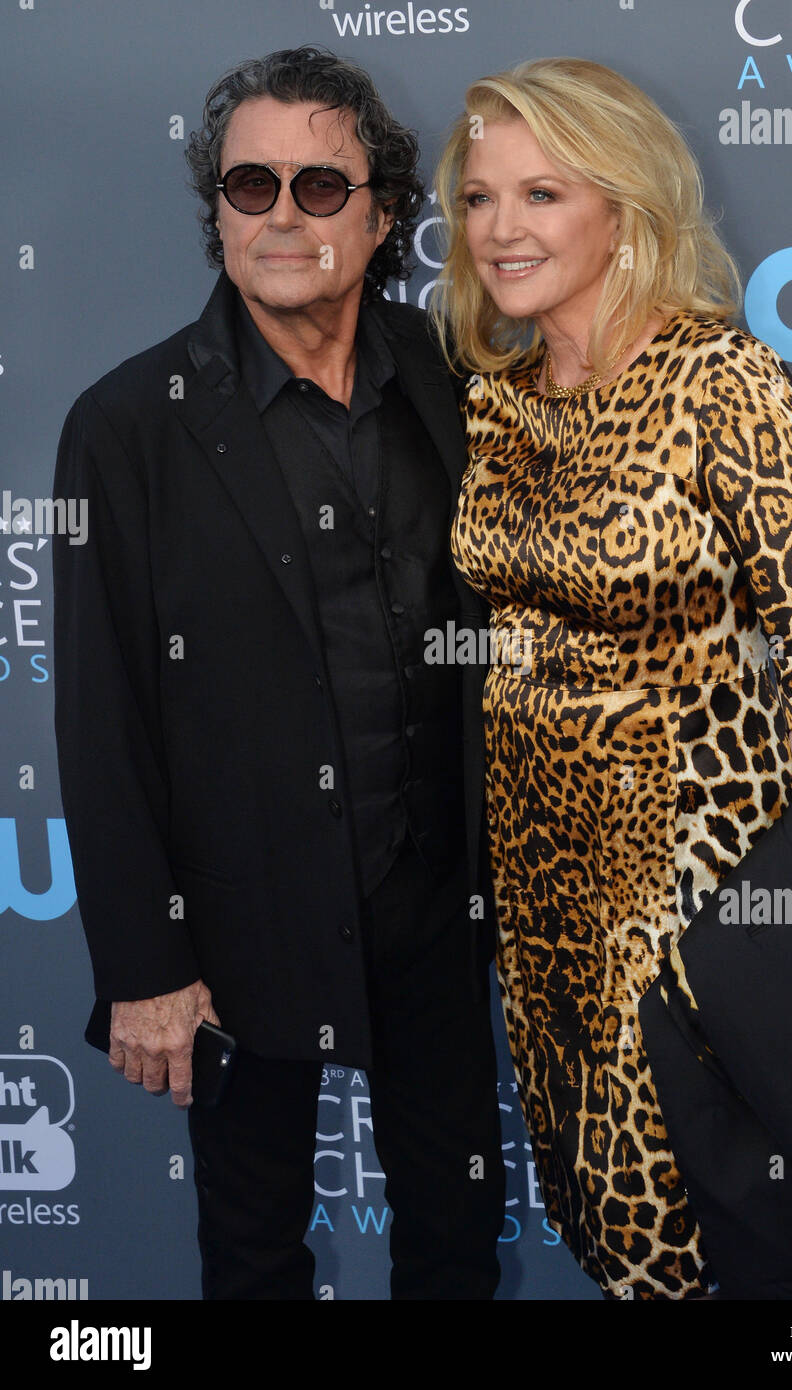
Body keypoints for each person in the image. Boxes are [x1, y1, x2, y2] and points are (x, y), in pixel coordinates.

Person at [52, 45, 503, 1301]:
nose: (284, 215)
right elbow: (101, 718)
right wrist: (145, 964)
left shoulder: (455, 382)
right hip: (238, 922)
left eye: (320, 186)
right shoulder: (128, 422)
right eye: (251, 187)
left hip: (436, 910)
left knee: (455, 1248)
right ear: (217, 212)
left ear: (379, 215)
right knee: (252, 1255)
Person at [431, 56, 792, 1299]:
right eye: (477, 199)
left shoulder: (718, 379)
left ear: (621, 207)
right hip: (542, 892)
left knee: (735, 1226)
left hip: (697, 890)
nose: (500, 230)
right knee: (615, 1223)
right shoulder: (499, 403)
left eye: (541, 194)